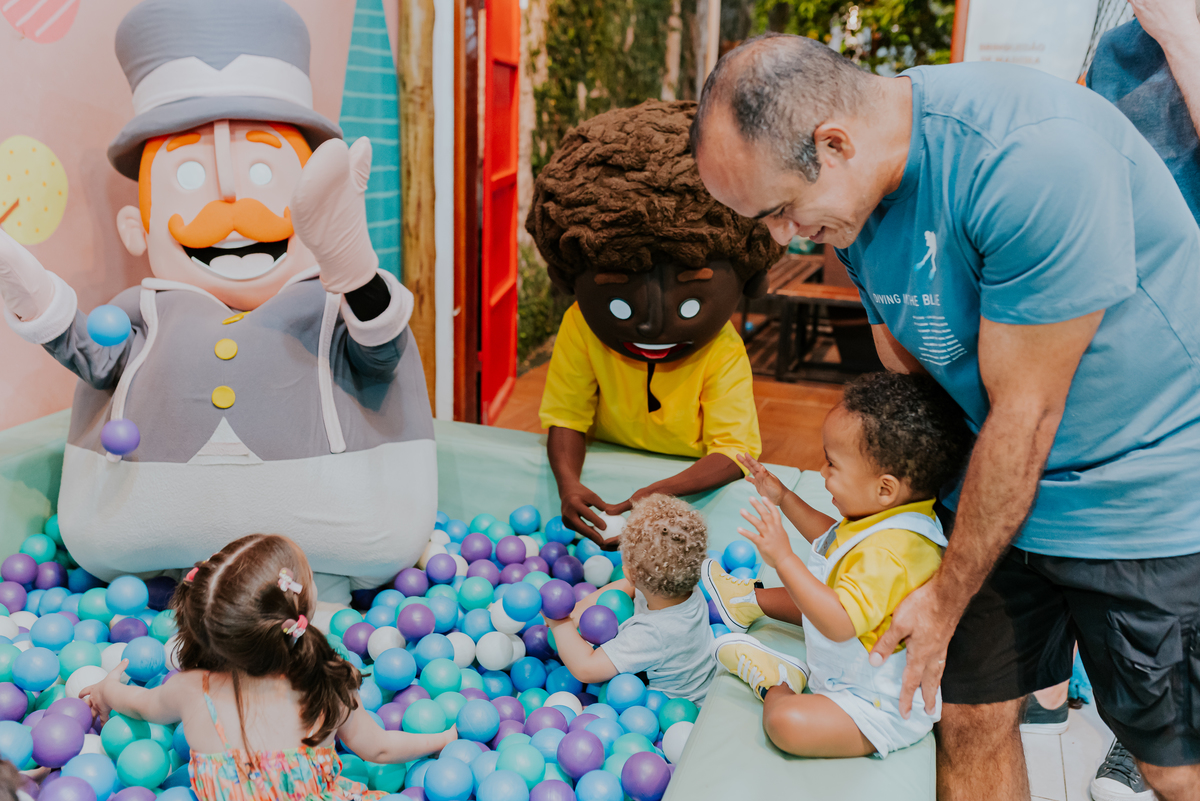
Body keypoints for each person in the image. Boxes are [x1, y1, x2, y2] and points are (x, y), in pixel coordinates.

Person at [690, 33, 1200, 801]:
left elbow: (1026, 418)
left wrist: (943, 595)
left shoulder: (1030, 160)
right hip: (995, 480)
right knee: (966, 719)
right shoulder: (855, 204)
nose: (782, 238)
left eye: (781, 211)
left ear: (834, 144)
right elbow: (919, 365)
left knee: (1171, 762)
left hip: (1135, 493)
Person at [0, 0, 436, 605]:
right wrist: (37, 297)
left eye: (265, 177)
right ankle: (178, 596)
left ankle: (319, 604)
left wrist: (355, 271)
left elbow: (380, 352)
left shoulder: (325, 302)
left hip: (332, 542)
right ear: (137, 227)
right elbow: (98, 361)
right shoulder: (146, 310)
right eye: (188, 179)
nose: (231, 206)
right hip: (150, 561)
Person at [526, 101, 782, 548]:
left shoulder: (720, 348)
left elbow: (735, 453)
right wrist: (568, 484)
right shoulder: (582, 327)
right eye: (622, 306)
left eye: (688, 305)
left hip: (683, 479)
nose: (651, 328)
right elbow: (566, 416)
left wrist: (656, 492)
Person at [706, 372, 973, 758]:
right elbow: (829, 537)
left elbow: (837, 622)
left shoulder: (892, 552)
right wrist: (781, 495)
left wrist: (782, 558)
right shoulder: (886, 516)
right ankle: (747, 600)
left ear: (885, 488)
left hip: (875, 706)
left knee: (786, 724)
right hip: (844, 665)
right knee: (816, 587)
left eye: (832, 464)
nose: (821, 472)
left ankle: (775, 680)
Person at [80, 534, 455, 801]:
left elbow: (138, 703)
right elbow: (381, 750)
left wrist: (105, 689)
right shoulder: (324, 681)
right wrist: (443, 739)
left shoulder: (193, 688)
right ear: (300, 617)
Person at [544, 494, 717, 702]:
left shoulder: (651, 633)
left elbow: (586, 668)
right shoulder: (683, 580)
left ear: (631, 573)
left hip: (671, 705)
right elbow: (630, 585)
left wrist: (558, 621)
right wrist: (579, 607)